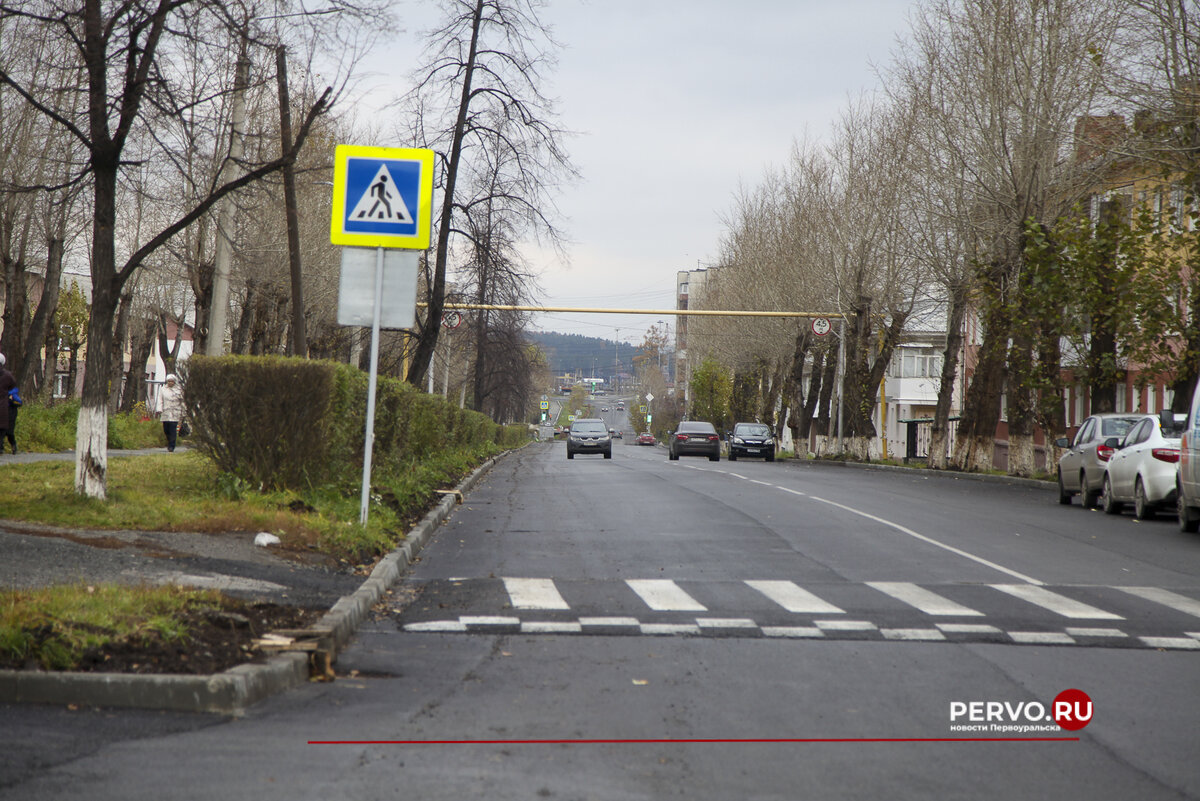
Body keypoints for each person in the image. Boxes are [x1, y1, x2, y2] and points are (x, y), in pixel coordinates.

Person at [155, 373, 185, 452]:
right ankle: (169, 441)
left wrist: (183, 411)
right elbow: (160, 399)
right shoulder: (163, 389)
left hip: (175, 411)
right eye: (169, 381)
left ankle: (171, 445)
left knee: (172, 429)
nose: (170, 383)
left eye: (172, 381)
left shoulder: (179, 390)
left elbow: (182, 401)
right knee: (166, 429)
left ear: (174, 382)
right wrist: (159, 409)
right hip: (166, 411)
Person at [0, 354, 14, 455]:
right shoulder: (8, 376)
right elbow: (13, 385)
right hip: (2, 404)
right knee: (2, 428)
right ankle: (0, 447)